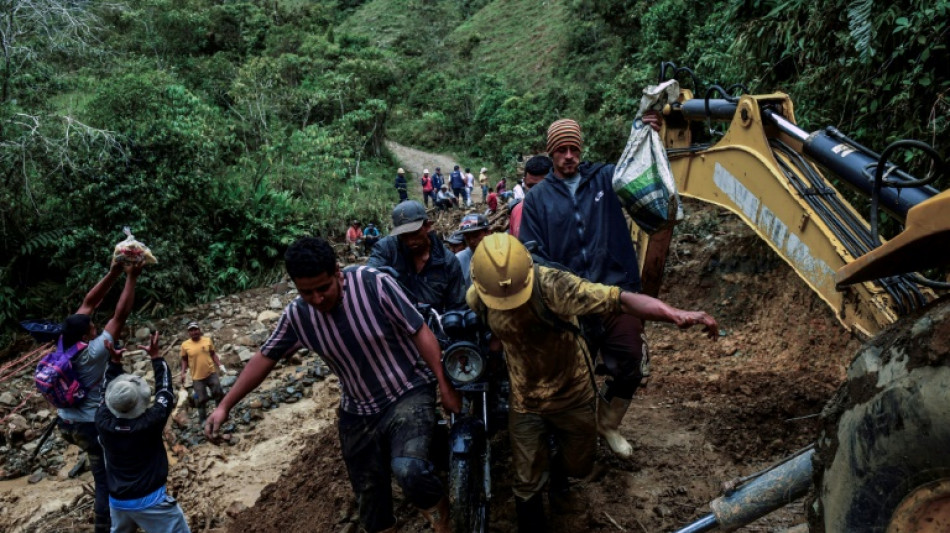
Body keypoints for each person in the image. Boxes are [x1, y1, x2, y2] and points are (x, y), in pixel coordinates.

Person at [205, 237, 461, 533]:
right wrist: (225, 406)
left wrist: (444, 384)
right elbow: (264, 358)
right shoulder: (298, 315)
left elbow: (419, 331)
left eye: (323, 288)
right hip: (358, 409)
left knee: (408, 469)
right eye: (306, 292)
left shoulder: (373, 284)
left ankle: (438, 509)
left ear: (338, 273)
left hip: (407, 389)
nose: (316, 299)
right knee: (369, 494)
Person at [467, 234, 718, 531]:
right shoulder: (479, 298)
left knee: (579, 465)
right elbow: (492, 334)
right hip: (526, 399)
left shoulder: (553, 286)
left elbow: (620, 300)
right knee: (525, 482)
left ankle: (559, 477)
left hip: (573, 392)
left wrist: (673, 313)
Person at [519, 116, 662, 459]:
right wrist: (559, 286)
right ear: (551, 153)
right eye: (562, 150)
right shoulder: (537, 199)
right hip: (569, 302)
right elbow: (531, 251)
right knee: (571, 377)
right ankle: (577, 438)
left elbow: (637, 168)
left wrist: (644, 131)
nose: (569, 156)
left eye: (574, 149)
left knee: (632, 359)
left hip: (616, 292)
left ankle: (608, 423)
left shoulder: (605, 178)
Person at [57, 259, 144, 533]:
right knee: (105, 479)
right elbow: (120, 316)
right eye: (93, 326)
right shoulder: (94, 352)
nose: (95, 325)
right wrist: (132, 278)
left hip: (66, 422)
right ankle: (105, 527)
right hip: (89, 426)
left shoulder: (63, 340)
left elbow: (88, 302)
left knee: (106, 471)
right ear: (87, 334)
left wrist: (114, 272)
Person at [96, 331, 190, 533]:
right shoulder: (150, 422)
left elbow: (104, 392)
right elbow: (165, 391)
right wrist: (156, 357)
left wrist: (114, 362)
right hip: (152, 501)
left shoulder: (102, 421)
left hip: (118, 501)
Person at [367, 200, 466, 313]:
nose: (410, 241)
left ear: (427, 226)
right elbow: (368, 279)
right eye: (404, 236)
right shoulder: (386, 249)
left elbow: (458, 306)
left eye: (414, 233)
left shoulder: (448, 262)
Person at [179, 321, 226, 425]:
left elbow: (213, 354)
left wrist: (220, 365)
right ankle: (203, 420)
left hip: (211, 373)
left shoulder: (207, 340)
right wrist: (183, 372)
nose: (194, 332)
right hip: (197, 377)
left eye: (196, 329)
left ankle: (220, 413)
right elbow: (184, 360)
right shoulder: (185, 345)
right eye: (191, 330)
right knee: (201, 399)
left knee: (218, 392)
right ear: (188, 333)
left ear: (199, 330)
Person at [510, 155, 552, 238]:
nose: (534, 192)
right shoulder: (516, 210)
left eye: (540, 187)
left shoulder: (566, 214)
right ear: (524, 181)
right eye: (530, 186)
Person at [454, 214, 491, 288]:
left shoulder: (501, 253)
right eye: (467, 238)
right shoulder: (460, 260)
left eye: (476, 236)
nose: (471, 241)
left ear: (488, 233)